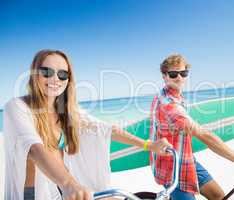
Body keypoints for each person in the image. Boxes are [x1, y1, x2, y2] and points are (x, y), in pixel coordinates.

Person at [3, 49, 172, 200]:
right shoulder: (17, 107)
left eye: (62, 74)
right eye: (47, 72)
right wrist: (69, 184)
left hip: (61, 190)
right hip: (32, 194)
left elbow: (104, 129)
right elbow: (33, 147)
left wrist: (148, 145)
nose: (55, 78)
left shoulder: (67, 111)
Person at [149, 54, 234, 200]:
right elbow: (205, 136)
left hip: (186, 160)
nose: (179, 78)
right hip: (171, 169)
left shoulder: (171, 95)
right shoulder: (169, 104)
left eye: (183, 73)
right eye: (173, 74)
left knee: (218, 196)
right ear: (164, 76)